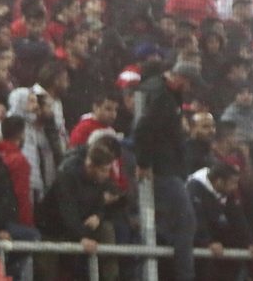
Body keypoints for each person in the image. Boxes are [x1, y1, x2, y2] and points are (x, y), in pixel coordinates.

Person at [134, 61, 204, 281]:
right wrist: (144, 163)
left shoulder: (163, 92)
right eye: (190, 84)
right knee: (185, 220)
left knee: (167, 225)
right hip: (162, 168)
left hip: (167, 166)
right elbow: (143, 128)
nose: (190, 89)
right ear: (181, 78)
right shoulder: (161, 95)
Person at [38, 144, 119, 281]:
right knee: (48, 273)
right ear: (90, 166)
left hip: (77, 228)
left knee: (106, 229)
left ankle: (111, 278)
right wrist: (81, 237)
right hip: (52, 231)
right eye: (103, 170)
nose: (106, 175)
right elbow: (68, 212)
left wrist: (98, 216)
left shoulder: (99, 181)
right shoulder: (67, 177)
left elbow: (100, 205)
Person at [187, 162, 253, 281]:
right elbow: (196, 219)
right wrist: (207, 242)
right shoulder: (194, 190)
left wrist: (250, 242)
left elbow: (238, 218)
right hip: (196, 247)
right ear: (219, 182)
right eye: (233, 183)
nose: (235, 187)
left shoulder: (226, 194)